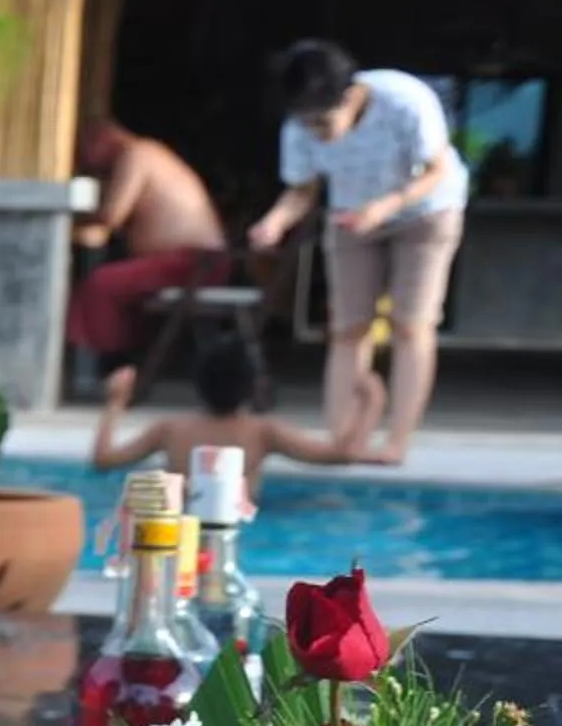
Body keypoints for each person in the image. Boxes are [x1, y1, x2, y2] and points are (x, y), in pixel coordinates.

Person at [245, 40, 469, 463]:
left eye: (323, 123)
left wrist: (385, 206)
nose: (315, 133)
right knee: (348, 328)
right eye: (306, 123)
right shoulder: (298, 123)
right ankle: (344, 440)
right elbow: (302, 190)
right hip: (351, 216)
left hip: (426, 210)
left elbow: (436, 170)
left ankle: (396, 441)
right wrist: (274, 222)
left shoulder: (405, 100)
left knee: (411, 324)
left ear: (349, 96)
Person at [88, 353, 376, 514]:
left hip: (180, 521)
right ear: (251, 388)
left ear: (197, 385)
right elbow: (342, 454)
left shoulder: (170, 429)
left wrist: (115, 401)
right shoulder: (262, 432)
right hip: (241, 522)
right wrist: (371, 402)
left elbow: (103, 460)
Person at [65, 118, 234, 381]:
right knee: (116, 280)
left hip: (193, 264)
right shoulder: (145, 154)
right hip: (185, 263)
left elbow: (112, 216)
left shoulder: (137, 155)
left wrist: (73, 222)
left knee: (102, 283)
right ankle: (127, 363)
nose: (85, 163)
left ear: (101, 139)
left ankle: (114, 369)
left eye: (82, 153)